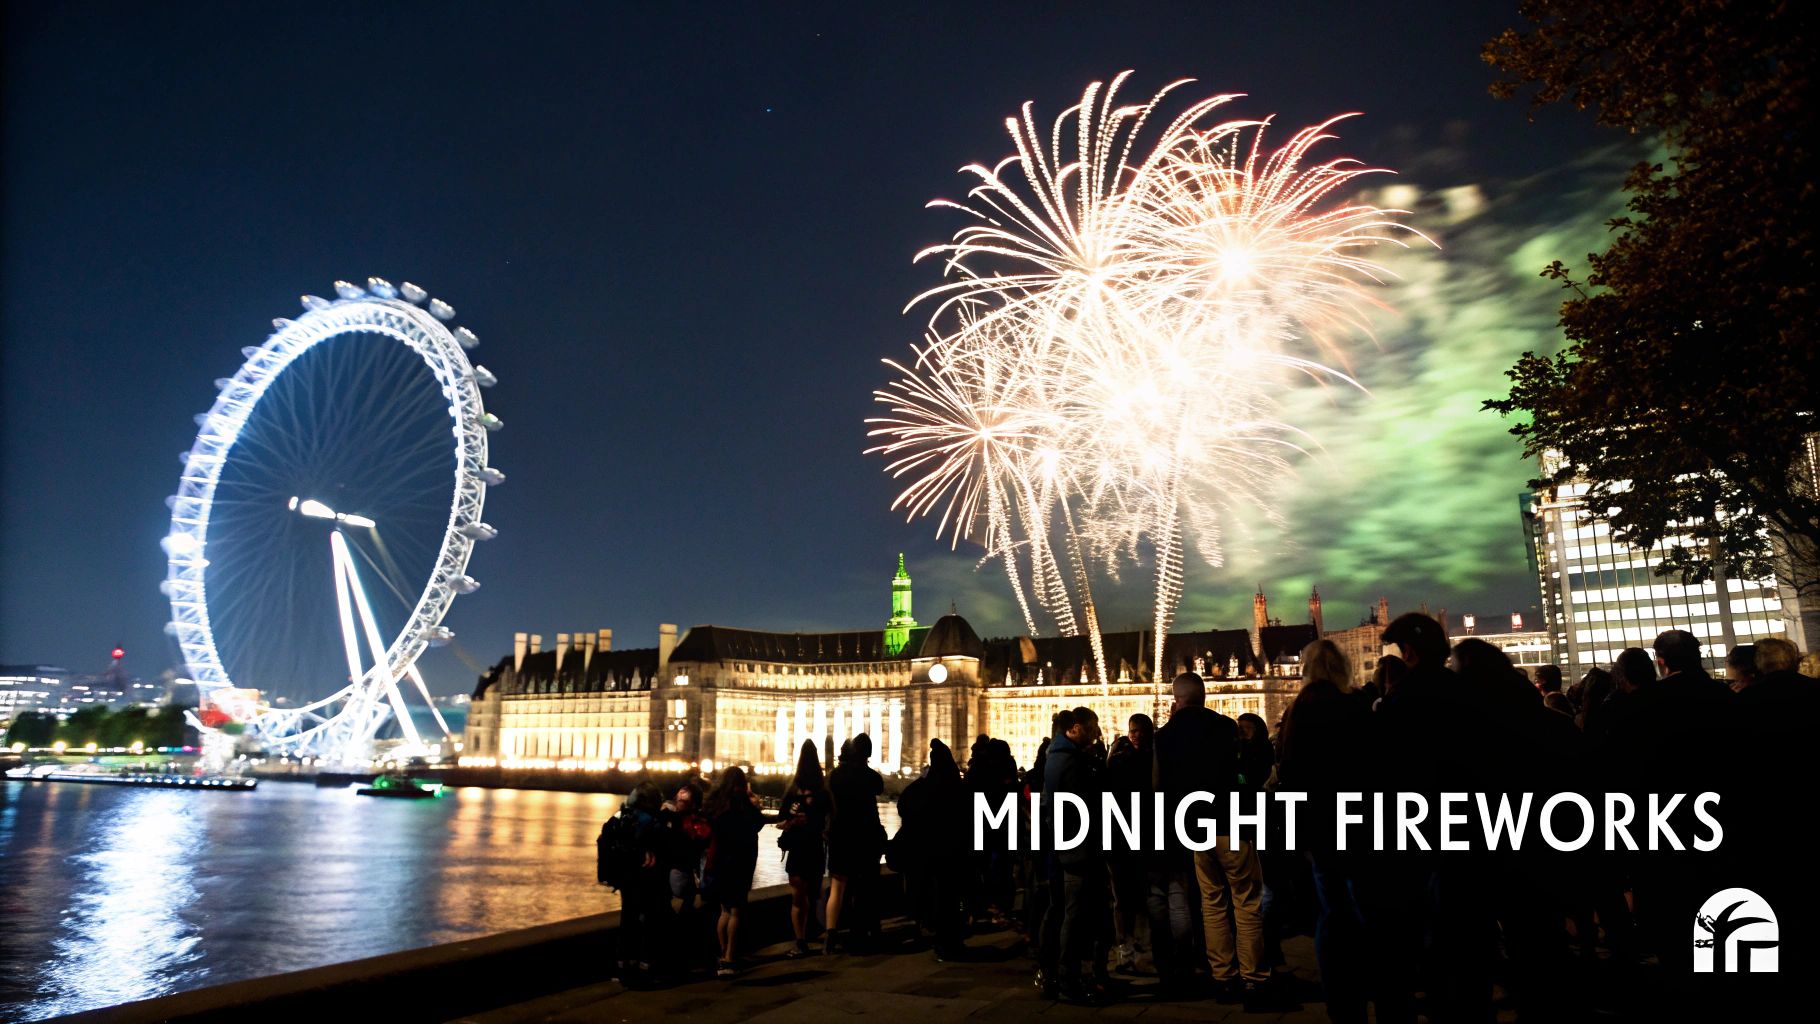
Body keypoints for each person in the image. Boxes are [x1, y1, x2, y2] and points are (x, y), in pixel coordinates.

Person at [1278, 639, 1393, 1024]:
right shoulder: (1356, 706)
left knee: (1332, 915)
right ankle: (1380, 988)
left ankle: (1341, 1001)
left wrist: (1300, 834)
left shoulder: (1297, 712)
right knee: (1367, 909)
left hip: (1319, 829)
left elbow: (1289, 777)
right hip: (1359, 823)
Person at [1155, 671, 1269, 1009]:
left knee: (1211, 903)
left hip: (1195, 827)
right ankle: (1255, 979)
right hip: (1231, 823)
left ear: (1177, 699)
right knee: (1246, 900)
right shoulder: (1224, 727)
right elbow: (1240, 774)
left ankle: (1224, 978)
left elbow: (1160, 788)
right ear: (1204, 696)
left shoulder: (1165, 735)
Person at [1039, 706, 1110, 1004]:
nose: (1095, 732)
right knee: (1074, 915)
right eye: (1092, 727)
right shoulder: (1073, 762)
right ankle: (1069, 979)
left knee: (1057, 910)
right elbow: (1085, 807)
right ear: (1076, 728)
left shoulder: (1054, 757)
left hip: (1059, 844)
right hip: (1076, 848)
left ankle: (1049, 973)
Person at [895, 738, 971, 960]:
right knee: (952, 900)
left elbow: (904, 809)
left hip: (926, 853)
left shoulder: (918, 788)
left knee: (930, 896)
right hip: (953, 853)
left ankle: (932, 935)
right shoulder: (959, 788)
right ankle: (951, 942)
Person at [702, 766, 766, 977]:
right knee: (737, 911)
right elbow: (756, 824)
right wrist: (754, 804)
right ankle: (731, 957)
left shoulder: (715, 804)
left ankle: (722, 955)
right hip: (740, 862)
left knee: (724, 911)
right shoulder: (742, 804)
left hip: (719, 862)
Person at [1103, 714, 1155, 973]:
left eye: (1141, 731)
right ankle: (1126, 949)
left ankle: (1142, 946)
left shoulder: (1153, 760)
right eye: (1133, 730)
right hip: (1122, 837)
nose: (1137, 735)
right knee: (1123, 898)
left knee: (1144, 896)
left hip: (1143, 834)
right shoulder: (1119, 762)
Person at [825, 733, 885, 952]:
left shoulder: (834, 776)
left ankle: (831, 935)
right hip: (866, 837)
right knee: (866, 886)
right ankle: (864, 931)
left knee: (838, 887)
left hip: (840, 836)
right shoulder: (870, 777)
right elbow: (880, 788)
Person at [609, 782, 670, 984]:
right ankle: (646, 967)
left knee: (627, 919)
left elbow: (605, 836)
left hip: (624, 876)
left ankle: (622, 967)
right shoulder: (652, 821)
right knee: (648, 922)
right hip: (646, 878)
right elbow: (665, 846)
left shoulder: (620, 816)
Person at [776, 740, 829, 959]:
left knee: (798, 898)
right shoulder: (824, 792)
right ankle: (820, 932)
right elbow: (829, 819)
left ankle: (800, 941)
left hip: (797, 848)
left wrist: (790, 823)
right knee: (814, 894)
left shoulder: (793, 791)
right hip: (815, 848)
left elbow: (781, 817)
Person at [660, 780, 713, 971]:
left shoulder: (670, 818)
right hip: (684, 872)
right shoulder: (698, 822)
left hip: (678, 871)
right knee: (685, 911)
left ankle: (675, 957)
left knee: (679, 913)